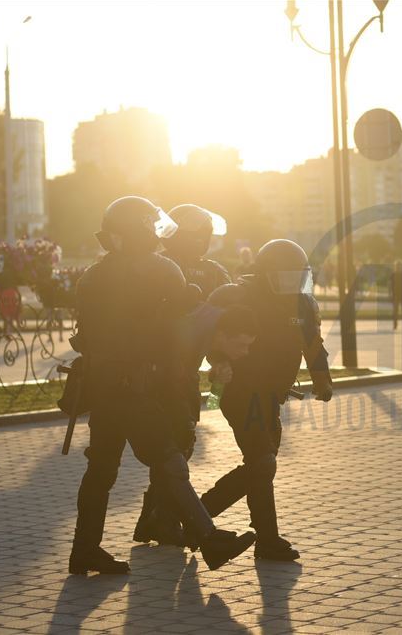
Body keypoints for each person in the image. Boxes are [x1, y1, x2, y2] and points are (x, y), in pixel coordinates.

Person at [68, 196, 256, 575]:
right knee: (170, 457)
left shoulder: (93, 275)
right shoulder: (163, 270)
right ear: (140, 231)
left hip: (103, 386)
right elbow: (178, 329)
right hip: (138, 387)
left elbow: (90, 334)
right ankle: (208, 539)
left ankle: (84, 550)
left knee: (101, 470)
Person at [198, 238, 334, 561]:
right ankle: (200, 515)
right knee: (262, 461)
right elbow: (215, 342)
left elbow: (313, 346)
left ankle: (258, 537)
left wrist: (323, 379)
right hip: (239, 393)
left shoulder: (304, 305)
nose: (291, 286)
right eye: (284, 278)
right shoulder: (242, 300)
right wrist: (219, 369)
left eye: (296, 278)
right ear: (265, 275)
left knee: (262, 464)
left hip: (271, 395)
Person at [132, 203, 232, 545]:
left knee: (182, 445)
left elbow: (228, 317)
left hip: (190, 373)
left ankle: (154, 517)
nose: (202, 243)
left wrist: (222, 359)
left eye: (206, 237)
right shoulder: (156, 268)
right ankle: (164, 521)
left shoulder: (215, 272)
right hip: (157, 372)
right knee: (172, 448)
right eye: (197, 237)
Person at [162, 204, 232, 299]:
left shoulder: (215, 270)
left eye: (207, 233)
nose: (204, 238)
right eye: (199, 233)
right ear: (178, 234)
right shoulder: (158, 263)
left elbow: (226, 305)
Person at [389, 260, 402, 330]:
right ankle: (395, 325)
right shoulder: (393, 275)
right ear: (395, 267)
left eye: (399, 266)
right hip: (396, 295)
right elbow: (390, 285)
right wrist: (390, 293)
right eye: (396, 266)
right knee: (395, 311)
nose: (398, 267)